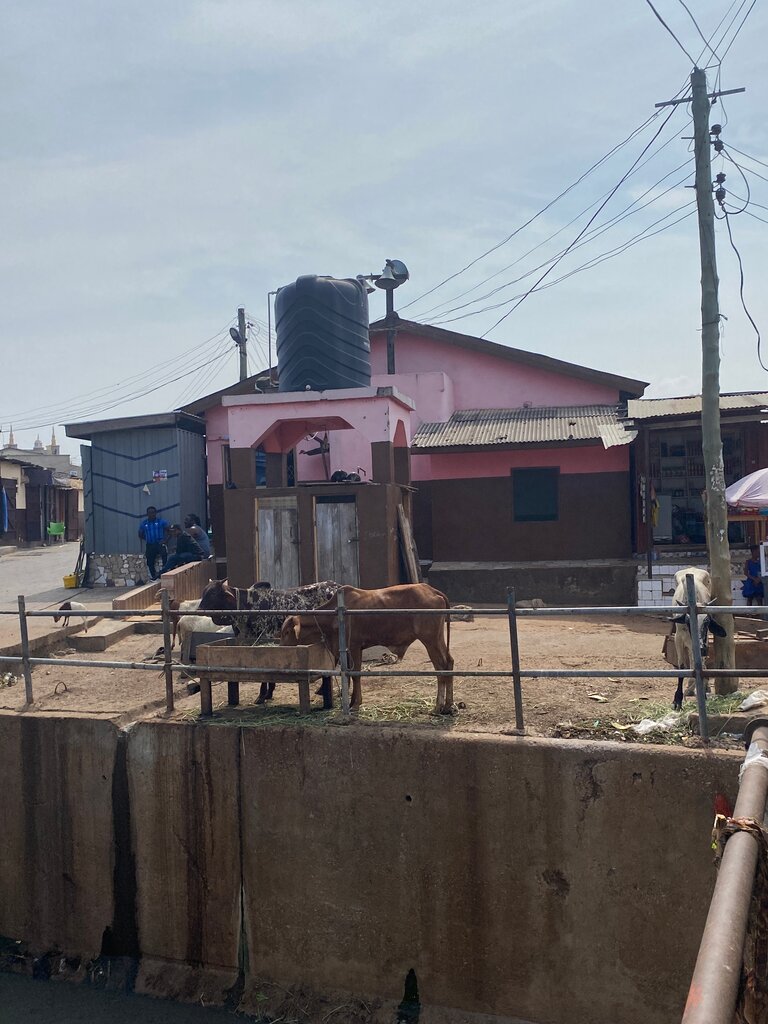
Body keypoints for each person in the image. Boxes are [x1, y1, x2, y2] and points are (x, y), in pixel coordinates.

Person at [138, 506, 170, 581]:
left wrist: (166, 540)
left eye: (153, 512)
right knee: (150, 561)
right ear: (147, 514)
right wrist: (147, 539)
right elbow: (140, 534)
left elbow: (170, 531)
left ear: (156, 513)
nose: (152, 514)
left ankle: (164, 574)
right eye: (150, 513)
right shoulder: (144, 523)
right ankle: (154, 577)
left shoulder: (161, 522)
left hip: (160, 543)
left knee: (165, 557)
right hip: (150, 545)